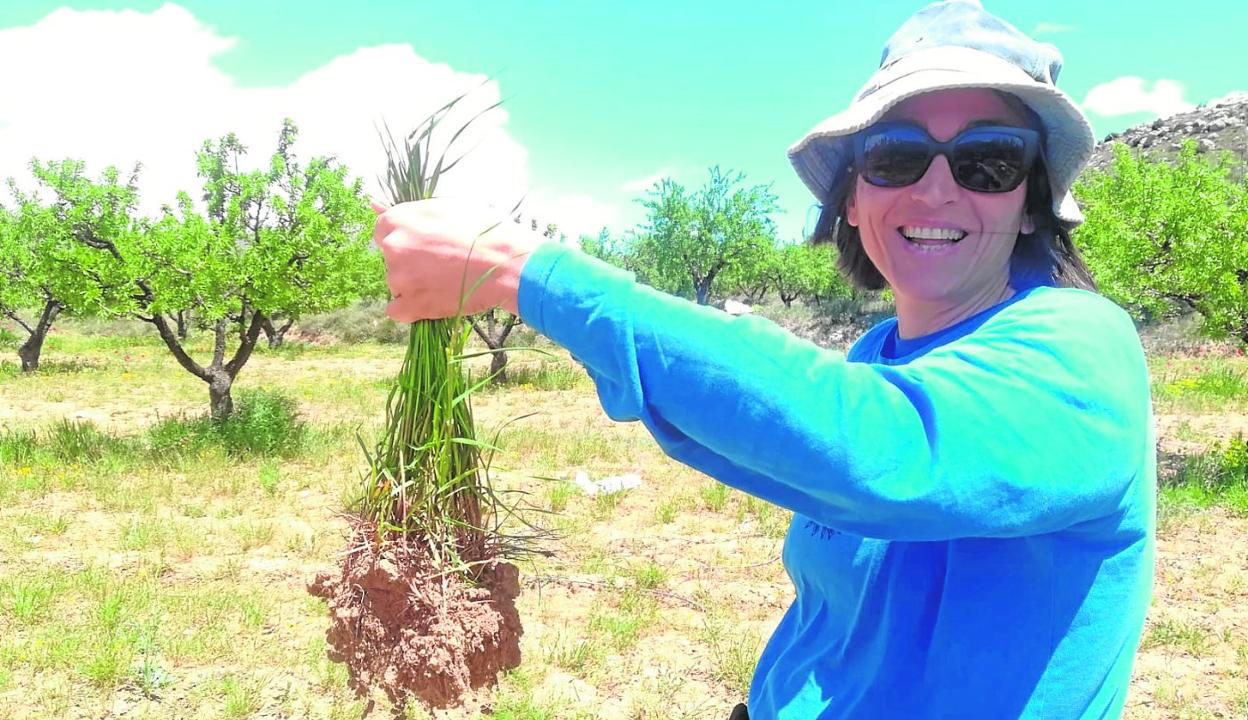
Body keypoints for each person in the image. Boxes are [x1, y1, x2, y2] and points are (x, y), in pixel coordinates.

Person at [371, 1, 1156, 717]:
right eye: (896, 157)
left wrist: (530, 276)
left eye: (988, 161)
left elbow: (880, 455)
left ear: (1032, 201)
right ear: (852, 199)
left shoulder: (1084, 350)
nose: (938, 189)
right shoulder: (876, 357)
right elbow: (786, 450)